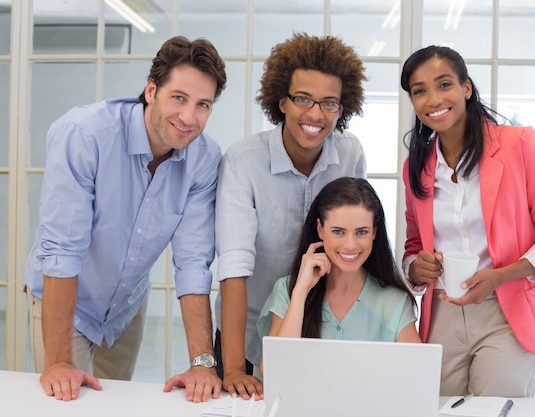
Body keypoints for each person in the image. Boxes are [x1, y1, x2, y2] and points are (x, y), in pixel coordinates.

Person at [24, 36, 227, 403]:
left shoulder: (205, 159)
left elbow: (193, 262)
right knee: (68, 401)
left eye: (203, 105)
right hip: (69, 298)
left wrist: (202, 364)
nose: (189, 117)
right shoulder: (85, 134)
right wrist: (57, 363)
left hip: (126, 307)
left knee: (116, 404)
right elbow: (61, 251)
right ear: (151, 90)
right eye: (178, 98)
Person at [400, 45, 535, 397]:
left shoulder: (518, 144)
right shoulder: (415, 167)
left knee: (494, 409)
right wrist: (415, 269)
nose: (433, 99)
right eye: (419, 91)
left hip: (506, 310)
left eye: (444, 84)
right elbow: (414, 247)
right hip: (442, 311)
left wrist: (498, 276)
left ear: (466, 88)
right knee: (438, 407)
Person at [215, 33, 367, 399]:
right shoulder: (243, 161)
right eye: (303, 99)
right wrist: (234, 367)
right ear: (281, 100)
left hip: (318, 327)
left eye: (329, 103)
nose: (315, 114)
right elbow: (234, 265)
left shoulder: (349, 156)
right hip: (247, 331)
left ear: (342, 109)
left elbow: (356, 243)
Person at [257, 177, 422, 349]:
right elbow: (274, 367)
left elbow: (419, 371)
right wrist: (301, 291)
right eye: (338, 231)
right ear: (320, 229)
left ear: (374, 231)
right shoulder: (287, 290)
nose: (350, 245)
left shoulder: (394, 301)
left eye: (361, 232)